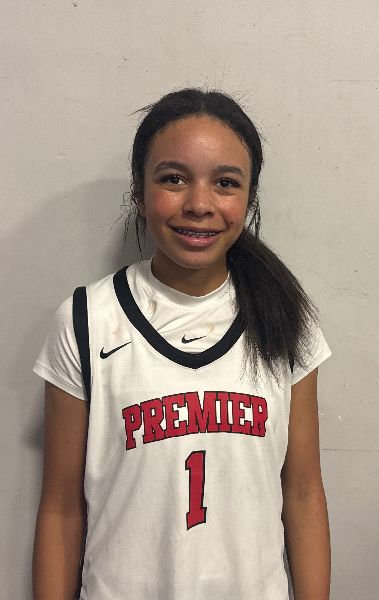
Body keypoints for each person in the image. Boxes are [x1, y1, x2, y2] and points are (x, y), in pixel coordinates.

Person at [33, 88, 331, 600]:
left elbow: (303, 495)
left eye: (225, 183)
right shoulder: (86, 321)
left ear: (249, 198)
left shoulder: (287, 320)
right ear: (139, 189)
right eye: (173, 178)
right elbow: (61, 509)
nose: (199, 204)